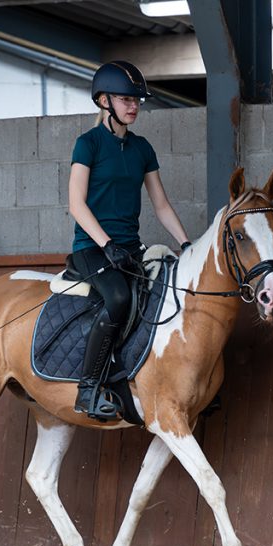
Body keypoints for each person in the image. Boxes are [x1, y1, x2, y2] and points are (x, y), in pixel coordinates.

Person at [67, 60, 191, 421]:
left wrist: (186, 244)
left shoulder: (142, 149)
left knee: (166, 293)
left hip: (129, 250)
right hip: (92, 248)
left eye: (137, 100)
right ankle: (88, 389)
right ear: (104, 101)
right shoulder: (87, 144)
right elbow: (76, 204)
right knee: (119, 298)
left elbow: (162, 205)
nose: (133, 106)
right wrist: (106, 244)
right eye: (125, 99)